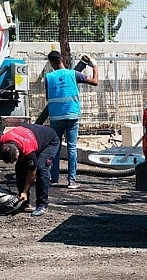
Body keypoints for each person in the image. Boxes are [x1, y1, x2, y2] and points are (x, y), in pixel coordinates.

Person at [0, 123, 60, 217]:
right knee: (19, 168)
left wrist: (25, 190)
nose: (13, 162)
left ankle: (42, 205)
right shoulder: (2, 141)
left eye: (15, 159)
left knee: (41, 168)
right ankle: (24, 202)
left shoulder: (28, 150)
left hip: (50, 141)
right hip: (32, 136)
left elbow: (32, 172)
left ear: (17, 152)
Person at [45, 50, 99, 189]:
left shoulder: (49, 77)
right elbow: (94, 82)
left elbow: (48, 97)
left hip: (56, 116)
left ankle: (54, 178)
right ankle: (72, 181)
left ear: (51, 63)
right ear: (61, 59)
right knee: (72, 148)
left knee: (55, 148)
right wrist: (94, 66)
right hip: (72, 116)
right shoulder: (73, 74)